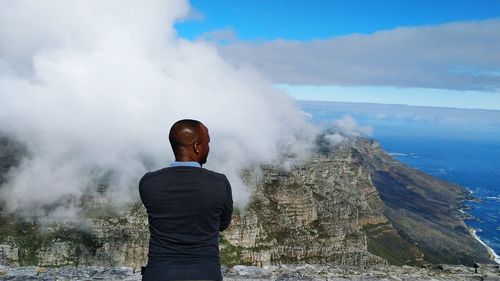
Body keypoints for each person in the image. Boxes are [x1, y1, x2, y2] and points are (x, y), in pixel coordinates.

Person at [139, 119, 233, 281]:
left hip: (159, 273)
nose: (209, 147)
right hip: (206, 274)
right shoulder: (219, 183)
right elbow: (222, 224)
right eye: (207, 143)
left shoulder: (149, 182)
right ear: (197, 147)